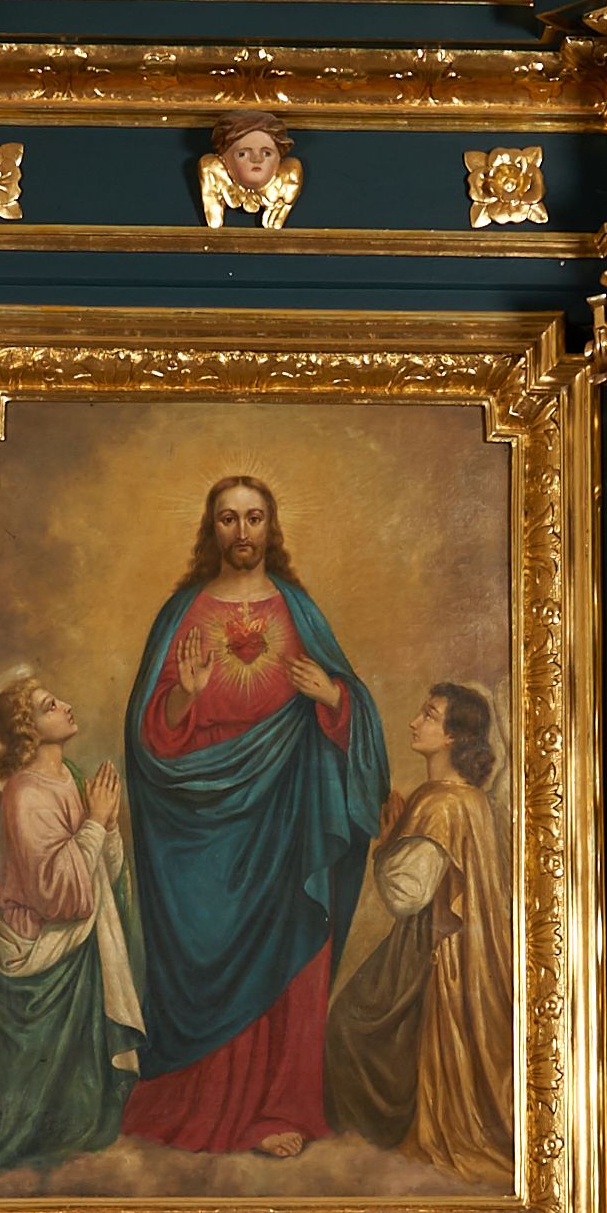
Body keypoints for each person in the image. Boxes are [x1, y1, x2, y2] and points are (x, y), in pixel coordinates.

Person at [121, 477, 387, 1163]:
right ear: (211, 529)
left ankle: (281, 1107)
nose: (242, 532)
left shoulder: (299, 609)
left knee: (293, 953)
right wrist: (184, 696)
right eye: (228, 519)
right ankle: (202, 1105)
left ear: (271, 526)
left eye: (254, 517)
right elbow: (150, 739)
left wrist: (333, 696)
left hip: (290, 810)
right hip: (203, 821)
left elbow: (351, 710)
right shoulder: (182, 612)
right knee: (208, 955)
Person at [325, 683, 513, 1183]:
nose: (415, 722)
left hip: (433, 950)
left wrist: (386, 846)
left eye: (429, 715)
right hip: (457, 946)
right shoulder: (467, 799)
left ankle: (373, 1137)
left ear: (453, 736)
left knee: (348, 1021)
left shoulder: (441, 805)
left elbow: (407, 896)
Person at [0, 677, 144, 1187]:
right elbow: (57, 896)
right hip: (32, 950)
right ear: (29, 729)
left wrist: (107, 825)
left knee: (85, 1115)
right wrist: (95, 822)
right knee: (28, 1124)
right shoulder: (23, 794)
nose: (66, 706)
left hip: (77, 946)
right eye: (50, 706)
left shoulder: (73, 776)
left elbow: (105, 875)